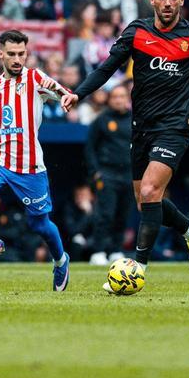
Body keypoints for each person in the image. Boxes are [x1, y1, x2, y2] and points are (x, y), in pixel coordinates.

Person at [61, 0, 189, 293]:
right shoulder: (137, 32)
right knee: (144, 202)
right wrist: (79, 94)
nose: (166, 2)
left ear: (181, 0)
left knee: (151, 191)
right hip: (143, 126)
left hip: (176, 125)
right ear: (152, 0)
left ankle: (136, 270)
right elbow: (107, 67)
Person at [0, 30, 72, 291]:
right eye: (11, 54)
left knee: (40, 225)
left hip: (29, 166)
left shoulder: (35, 78)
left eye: (21, 54)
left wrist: (67, 97)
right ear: (0, 54)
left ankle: (60, 260)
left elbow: (62, 92)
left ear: (27, 53)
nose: (17, 59)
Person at [85, 84, 134, 265]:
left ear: (127, 99)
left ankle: (115, 250)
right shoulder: (102, 120)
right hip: (107, 173)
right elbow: (90, 148)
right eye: (115, 97)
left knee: (122, 214)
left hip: (128, 174)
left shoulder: (134, 120)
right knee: (105, 214)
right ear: (109, 100)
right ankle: (98, 251)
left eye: (122, 96)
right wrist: (95, 173)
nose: (118, 100)